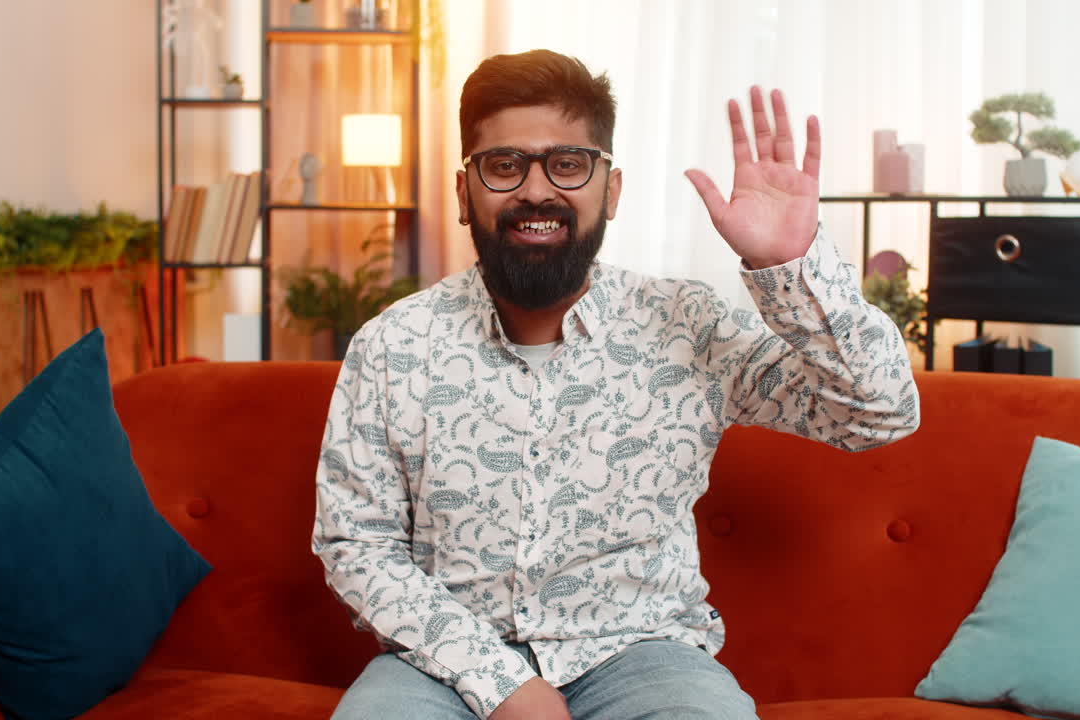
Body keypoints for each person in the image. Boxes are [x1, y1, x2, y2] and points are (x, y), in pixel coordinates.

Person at [314, 49, 919, 720]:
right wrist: (501, 683)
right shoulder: (392, 346)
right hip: (440, 664)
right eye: (504, 165)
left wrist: (791, 265)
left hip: (644, 657)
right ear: (465, 194)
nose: (536, 191)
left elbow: (879, 413)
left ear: (612, 189)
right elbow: (357, 546)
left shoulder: (692, 326)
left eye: (568, 163)